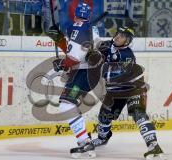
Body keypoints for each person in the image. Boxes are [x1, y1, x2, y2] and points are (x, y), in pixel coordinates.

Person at [89, 26, 165, 159]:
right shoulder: (108, 44)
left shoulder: (127, 56)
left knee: (138, 114)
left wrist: (96, 61)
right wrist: (91, 34)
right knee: (104, 116)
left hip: (133, 88)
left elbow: (109, 74)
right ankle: (102, 138)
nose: (118, 37)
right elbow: (96, 43)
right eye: (118, 33)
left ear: (127, 41)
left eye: (122, 36)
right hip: (115, 91)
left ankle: (153, 145)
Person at [47, 2, 99, 158]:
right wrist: (62, 40)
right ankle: (85, 141)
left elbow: (74, 59)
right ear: (89, 16)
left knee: (66, 104)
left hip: (83, 73)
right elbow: (80, 51)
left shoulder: (77, 27)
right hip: (88, 73)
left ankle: (84, 142)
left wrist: (62, 64)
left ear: (74, 14)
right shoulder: (92, 28)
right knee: (68, 103)